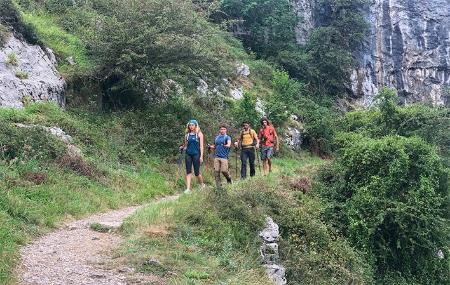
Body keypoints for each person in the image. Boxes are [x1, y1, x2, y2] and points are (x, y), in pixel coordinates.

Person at [180, 119, 205, 193]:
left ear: (196, 126)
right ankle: (188, 189)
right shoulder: (187, 135)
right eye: (190, 125)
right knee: (188, 171)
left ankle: (202, 184)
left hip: (196, 154)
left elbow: (201, 146)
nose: (191, 126)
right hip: (188, 154)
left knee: (197, 173)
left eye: (192, 125)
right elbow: (186, 146)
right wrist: (182, 147)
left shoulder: (199, 134)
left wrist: (201, 156)